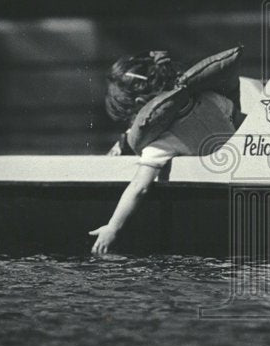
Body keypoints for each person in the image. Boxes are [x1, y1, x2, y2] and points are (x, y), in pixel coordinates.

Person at [89, 51, 237, 254]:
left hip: (209, 208)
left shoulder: (161, 144)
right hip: (233, 167)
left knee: (127, 142)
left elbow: (139, 187)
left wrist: (112, 227)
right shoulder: (210, 98)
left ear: (141, 105)